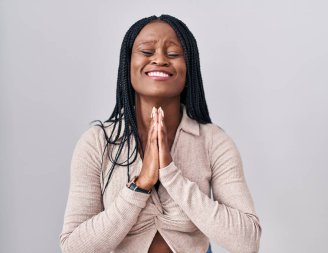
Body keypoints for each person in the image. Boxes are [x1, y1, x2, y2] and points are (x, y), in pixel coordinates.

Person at [59, 14, 261, 253]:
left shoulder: (214, 142)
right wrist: (141, 185)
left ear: (189, 70)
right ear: (128, 66)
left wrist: (171, 175)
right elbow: (74, 248)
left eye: (173, 54)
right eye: (146, 52)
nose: (160, 59)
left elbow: (247, 241)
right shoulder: (97, 143)